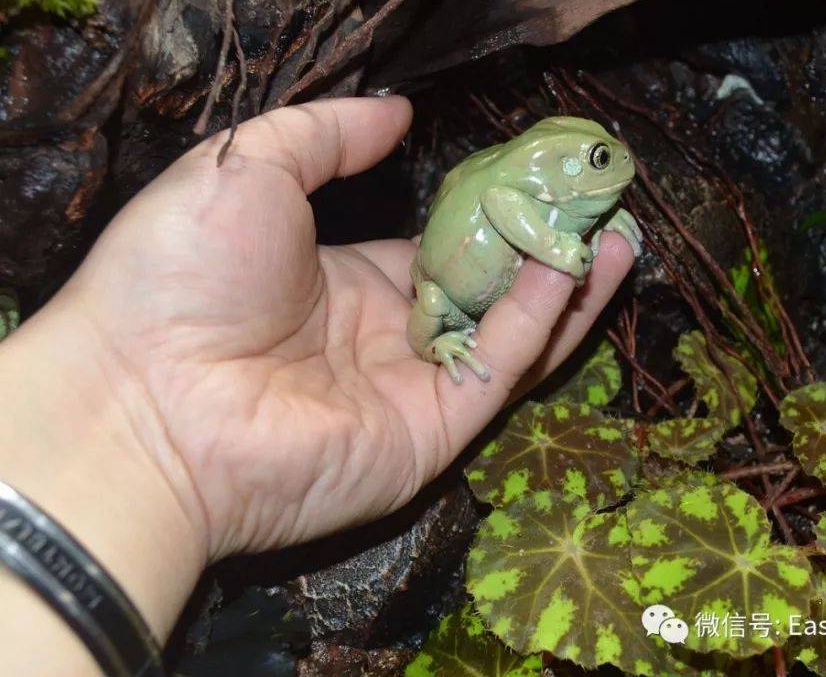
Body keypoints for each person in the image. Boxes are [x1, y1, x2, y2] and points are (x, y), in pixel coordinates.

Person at [0, 97, 634, 675]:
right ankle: (434, 338)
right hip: (439, 289)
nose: (611, 162)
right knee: (435, 314)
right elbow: (502, 205)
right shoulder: (518, 193)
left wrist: (166, 461)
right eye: (597, 158)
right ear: (562, 167)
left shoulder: (542, 189)